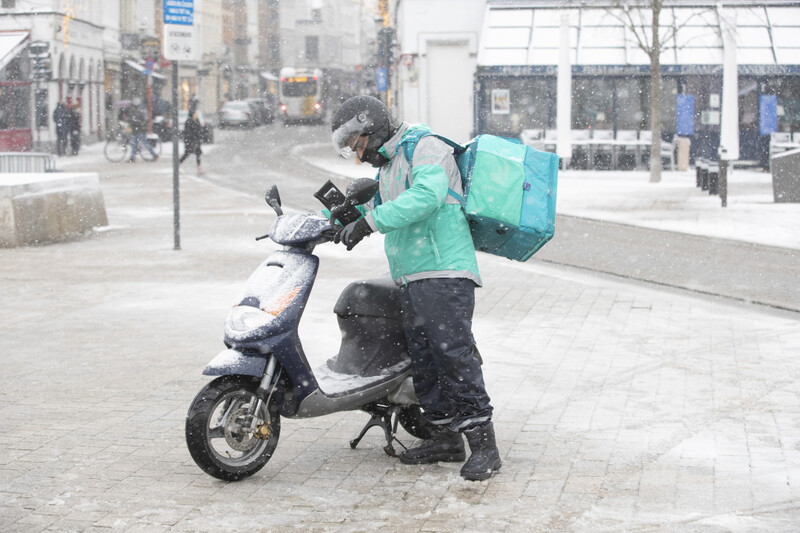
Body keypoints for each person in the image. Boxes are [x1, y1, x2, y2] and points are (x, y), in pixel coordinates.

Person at [330, 96, 501, 481]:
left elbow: (426, 197)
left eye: (358, 144)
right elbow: (384, 203)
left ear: (372, 128)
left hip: (444, 271)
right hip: (412, 275)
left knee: (453, 356)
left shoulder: (424, 146)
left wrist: (369, 223)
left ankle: (485, 446)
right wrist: (341, 217)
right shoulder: (391, 165)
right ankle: (444, 437)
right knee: (424, 358)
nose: (359, 155)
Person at [179, 101, 204, 174]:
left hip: (196, 140)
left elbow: (199, 129)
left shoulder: (196, 120)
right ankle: (179, 163)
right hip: (190, 140)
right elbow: (188, 132)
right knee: (187, 153)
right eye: (195, 113)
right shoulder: (189, 121)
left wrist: (199, 136)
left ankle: (199, 167)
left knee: (198, 153)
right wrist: (193, 137)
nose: (196, 114)